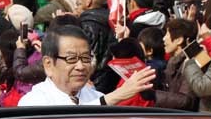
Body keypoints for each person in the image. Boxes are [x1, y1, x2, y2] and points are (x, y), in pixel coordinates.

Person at [19, 26, 155, 106]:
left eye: (85, 58)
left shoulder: (96, 96)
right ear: (48, 65)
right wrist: (113, 98)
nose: (81, 66)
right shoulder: (33, 102)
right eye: (71, 59)